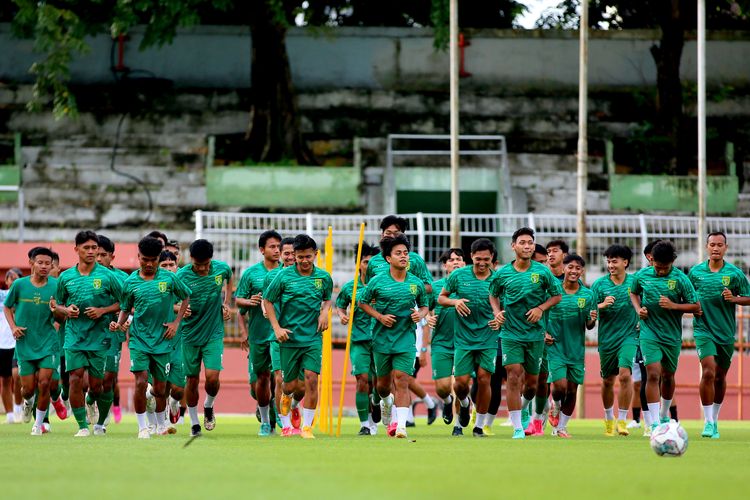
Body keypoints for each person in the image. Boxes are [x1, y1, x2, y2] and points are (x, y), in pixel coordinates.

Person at [112, 237, 190, 438]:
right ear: (138, 257)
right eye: (144, 259)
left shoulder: (169, 279)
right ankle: (143, 427)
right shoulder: (130, 282)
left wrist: (176, 323)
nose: (148, 264)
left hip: (163, 340)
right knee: (140, 381)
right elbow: (125, 308)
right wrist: (119, 324)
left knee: (160, 387)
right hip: (139, 340)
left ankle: (161, 423)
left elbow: (186, 296)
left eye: (153, 260)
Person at [489, 227, 562, 439]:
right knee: (512, 376)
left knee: (531, 384)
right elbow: (493, 295)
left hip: (535, 336)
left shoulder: (542, 272)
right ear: (513, 246)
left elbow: (556, 296)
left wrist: (541, 309)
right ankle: (517, 428)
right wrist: (497, 312)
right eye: (522, 242)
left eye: (530, 242)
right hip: (510, 334)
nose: (527, 246)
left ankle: (525, 407)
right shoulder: (502, 273)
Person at [359, 234, 429, 439]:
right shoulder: (377, 281)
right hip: (381, 339)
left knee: (402, 379)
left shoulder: (415, 283)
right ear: (388, 258)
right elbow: (362, 302)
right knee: (382, 385)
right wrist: (379, 317)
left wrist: (420, 314)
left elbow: (425, 305)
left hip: (406, 339)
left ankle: (401, 426)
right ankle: (386, 402)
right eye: (398, 253)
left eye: (405, 253)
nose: (403, 257)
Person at [264, 234, 333, 439]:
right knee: (289, 385)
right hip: (289, 339)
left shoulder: (323, 278)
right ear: (294, 255)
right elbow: (268, 301)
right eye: (300, 257)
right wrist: (277, 328)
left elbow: (328, 299)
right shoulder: (283, 277)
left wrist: (324, 313)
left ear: (315, 255)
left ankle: (307, 427)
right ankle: (286, 406)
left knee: (312, 380)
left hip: (312, 338)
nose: (304, 261)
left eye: (308, 257)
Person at [54, 231, 122, 437]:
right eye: (87, 248)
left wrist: (102, 311)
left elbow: (124, 303)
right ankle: (82, 426)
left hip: (100, 338)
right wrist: (66, 310)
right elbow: (57, 306)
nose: (92, 252)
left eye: (94, 248)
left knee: (96, 386)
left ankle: (93, 405)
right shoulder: (66, 277)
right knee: (75, 378)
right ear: (76, 250)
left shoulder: (108, 276)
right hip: (74, 337)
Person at [630, 241, 699, 432]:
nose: (660, 271)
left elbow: (695, 306)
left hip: (671, 335)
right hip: (648, 332)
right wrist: (639, 309)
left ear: (673, 262)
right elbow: (633, 292)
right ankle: (652, 423)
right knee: (653, 374)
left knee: (668, 377)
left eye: (665, 268)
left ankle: (663, 414)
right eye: (657, 267)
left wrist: (674, 306)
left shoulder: (681, 279)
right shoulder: (642, 275)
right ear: (652, 260)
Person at [688, 232, 750, 439]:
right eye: (712, 244)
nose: (716, 248)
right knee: (708, 372)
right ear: (706, 247)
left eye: (720, 245)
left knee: (720, 376)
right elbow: (685, 295)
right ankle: (707, 422)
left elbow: (748, 297)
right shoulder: (696, 273)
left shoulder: (734, 274)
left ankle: (715, 419)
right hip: (703, 330)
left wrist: (734, 299)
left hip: (725, 332)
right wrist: (692, 307)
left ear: (726, 248)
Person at [439, 238, 501, 438]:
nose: (482, 263)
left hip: (488, 337)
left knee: (484, 380)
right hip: (464, 339)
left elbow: (508, 306)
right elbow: (441, 297)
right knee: (460, 384)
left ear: (492, 258)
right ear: (471, 258)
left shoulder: (499, 279)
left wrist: (501, 317)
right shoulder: (458, 275)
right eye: (477, 259)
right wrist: (455, 301)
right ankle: (464, 404)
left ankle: (478, 426)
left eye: (486, 259)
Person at [176, 239, 233, 437]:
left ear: (211, 260)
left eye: (206, 264)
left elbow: (229, 280)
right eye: (198, 264)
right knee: (191, 380)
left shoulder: (221, 269)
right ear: (191, 259)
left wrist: (226, 303)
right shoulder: (181, 275)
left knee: (212, 377)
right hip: (190, 335)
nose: (202, 268)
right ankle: (194, 422)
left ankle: (208, 405)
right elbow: (171, 301)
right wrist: (179, 309)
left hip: (213, 333)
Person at [3, 247, 63, 435]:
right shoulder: (19, 285)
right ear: (31, 263)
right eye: (40, 262)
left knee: (44, 383)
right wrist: (13, 327)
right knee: (27, 389)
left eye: (48, 263)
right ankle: (28, 402)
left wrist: (57, 314)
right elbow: (7, 307)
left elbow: (62, 315)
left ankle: (39, 424)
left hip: (48, 343)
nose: (45, 266)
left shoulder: (56, 286)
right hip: (25, 343)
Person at [236, 230, 282, 437]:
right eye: (272, 246)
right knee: (260, 381)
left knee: (279, 377)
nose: (277, 250)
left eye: (278, 246)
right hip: (257, 335)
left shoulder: (286, 272)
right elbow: (238, 301)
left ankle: (283, 415)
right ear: (261, 250)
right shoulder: (250, 274)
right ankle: (265, 420)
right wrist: (250, 301)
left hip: (279, 334)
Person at [547, 255, 597, 438]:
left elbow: (589, 325)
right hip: (555, 347)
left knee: (572, 388)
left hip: (576, 349)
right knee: (560, 386)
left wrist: (592, 319)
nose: (574, 271)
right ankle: (556, 404)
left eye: (578, 268)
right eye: (571, 267)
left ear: (582, 271)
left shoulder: (588, 295)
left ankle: (560, 427)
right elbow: (540, 313)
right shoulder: (552, 291)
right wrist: (544, 333)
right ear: (564, 269)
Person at [592, 244, 639, 437]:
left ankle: (622, 420)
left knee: (625, 375)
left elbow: (645, 305)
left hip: (629, 337)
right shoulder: (599, 285)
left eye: (615, 261)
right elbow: (589, 311)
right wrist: (601, 305)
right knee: (607, 381)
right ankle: (608, 418)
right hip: (607, 339)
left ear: (625, 262)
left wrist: (642, 321)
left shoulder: (635, 283)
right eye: (609, 261)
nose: (611, 265)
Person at [336, 242, 380, 435]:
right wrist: (342, 315)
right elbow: (339, 304)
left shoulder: (384, 285)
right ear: (359, 264)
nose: (368, 266)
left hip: (381, 340)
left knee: (380, 383)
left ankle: (377, 401)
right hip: (359, 340)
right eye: (365, 262)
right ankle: (364, 424)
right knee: (362, 380)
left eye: (372, 262)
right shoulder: (349, 287)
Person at [427, 248, 464, 435]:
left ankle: (458, 425)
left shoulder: (469, 285)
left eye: (459, 259)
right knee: (442, 388)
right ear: (445, 265)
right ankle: (447, 402)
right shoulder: (435, 287)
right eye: (451, 260)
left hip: (464, 342)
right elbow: (426, 309)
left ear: (465, 263)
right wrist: (428, 318)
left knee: (460, 384)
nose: (455, 262)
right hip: (441, 342)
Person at [263, 237, 299, 429]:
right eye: (287, 253)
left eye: (294, 253)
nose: (291, 257)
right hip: (277, 336)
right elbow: (265, 301)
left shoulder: (307, 277)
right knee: (280, 378)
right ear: (281, 255)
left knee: (300, 384)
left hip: (302, 337)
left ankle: (293, 405)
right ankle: (284, 423)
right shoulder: (272, 277)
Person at [95, 235, 130, 428]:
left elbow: (132, 305)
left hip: (113, 334)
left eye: (103, 255)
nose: (99, 259)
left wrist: (127, 321)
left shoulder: (123, 278)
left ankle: (101, 420)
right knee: (89, 380)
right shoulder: (83, 276)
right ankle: (89, 402)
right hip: (87, 334)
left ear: (112, 257)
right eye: (96, 254)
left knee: (108, 379)